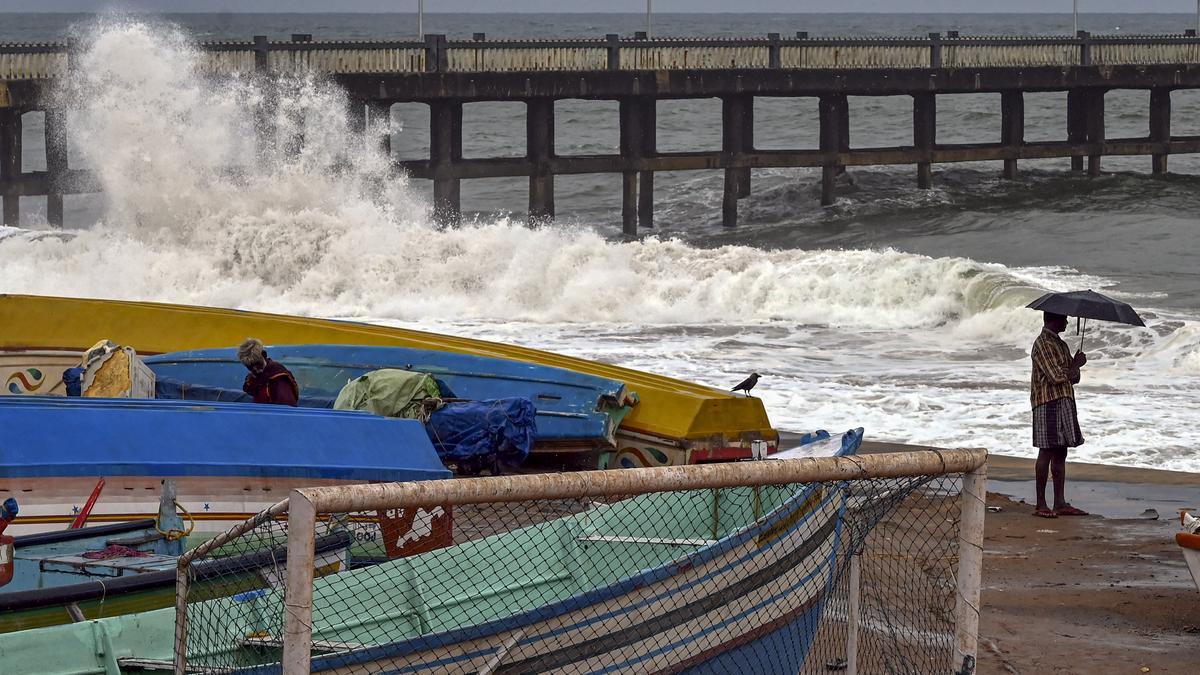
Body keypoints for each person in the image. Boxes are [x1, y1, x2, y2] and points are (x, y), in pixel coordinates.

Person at [1030, 312, 1088, 518]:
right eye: (1064, 318)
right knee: (1046, 451)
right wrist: (1075, 365)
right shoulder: (1043, 343)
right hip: (1047, 402)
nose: (1067, 321)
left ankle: (1059, 502)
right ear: (1054, 319)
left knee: (1061, 451)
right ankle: (1041, 504)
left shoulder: (1061, 345)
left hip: (1063, 400)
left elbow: (1074, 378)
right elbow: (1056, 376)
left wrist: (1074, 367)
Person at [238, 338, 300, 406]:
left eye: (257, 363)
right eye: (250, 366)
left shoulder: (278, 377)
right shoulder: (253, 379)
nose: (255, 369)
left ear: (264, 355)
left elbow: (286, 410)